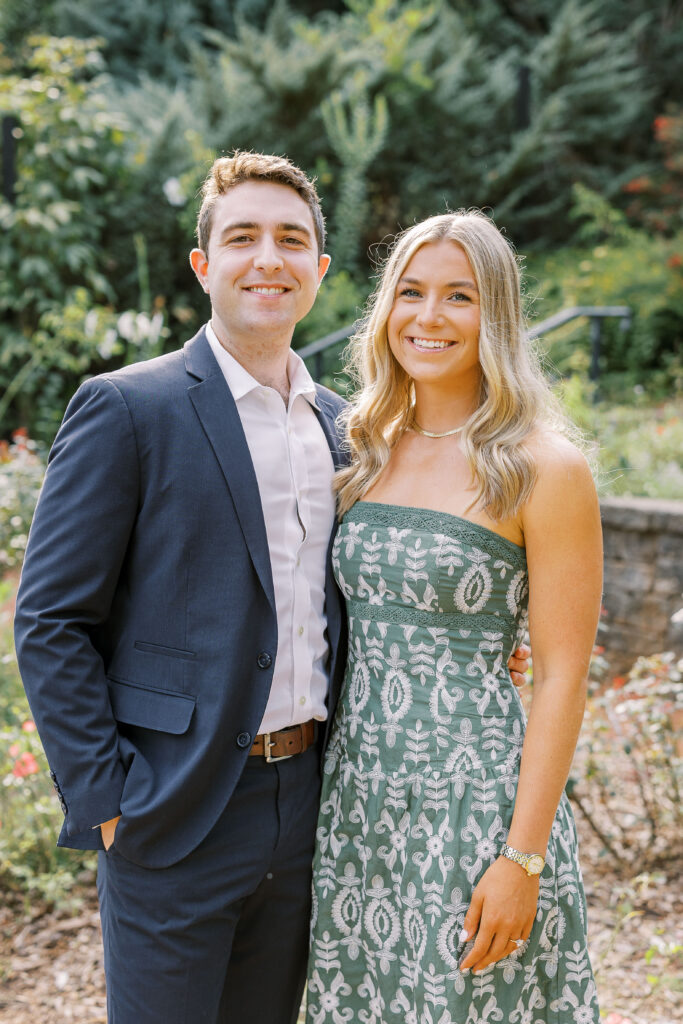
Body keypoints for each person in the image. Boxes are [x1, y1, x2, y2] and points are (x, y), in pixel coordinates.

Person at [13, 154, 530, 1024]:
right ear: (203, 264)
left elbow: (362, 589)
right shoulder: (128, 409)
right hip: (171, 806)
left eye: (291, 240)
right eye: (242, 237)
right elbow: (50, 618)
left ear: (320, 272)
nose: (268, 258)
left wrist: (475, 641)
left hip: (313, 806)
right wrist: (107, 799)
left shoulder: (350, 429)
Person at [306, 211, 603, 1023]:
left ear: (496, 315)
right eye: (410, 292)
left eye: (458, 297)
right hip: (356, 807)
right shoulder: (362, 446)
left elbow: (561, 675)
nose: (428, 317)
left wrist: (522, 858)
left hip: (473, 806)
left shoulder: (543, 467)